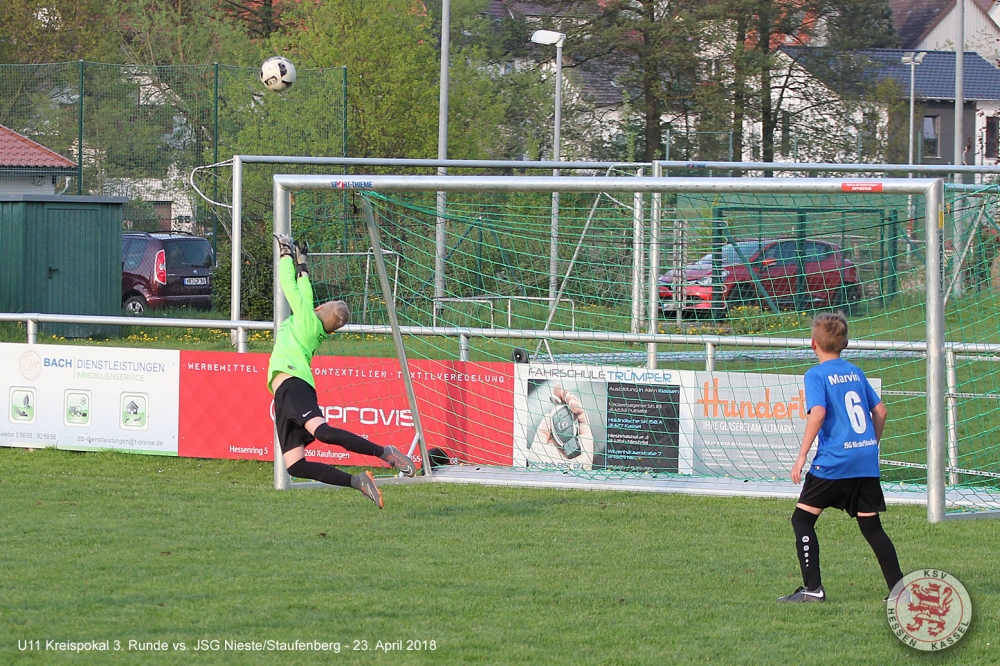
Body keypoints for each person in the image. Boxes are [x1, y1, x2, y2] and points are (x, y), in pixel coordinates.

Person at [267, 234, 415, 508]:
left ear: (320, 308)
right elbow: (303, 288)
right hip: (285, 392)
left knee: (323, 432)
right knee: (295, 465)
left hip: (293, 385)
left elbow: (288, 285)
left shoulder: (307, 320)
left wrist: (286, 252)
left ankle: (385, 452)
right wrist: (302, 263)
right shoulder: (311, 322)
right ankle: (357, 481)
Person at [778, 312, 903, 603]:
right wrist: (869, 445)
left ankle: (813, 588)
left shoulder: (816, 375)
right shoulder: (855, 372)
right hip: (864, 459)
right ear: (845, 343)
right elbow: (881, 412)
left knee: (802, 519)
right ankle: (899, 592)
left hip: (834, 461)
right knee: (871, 526)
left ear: (813, 343)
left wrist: (801, 456)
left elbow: (818, 413)